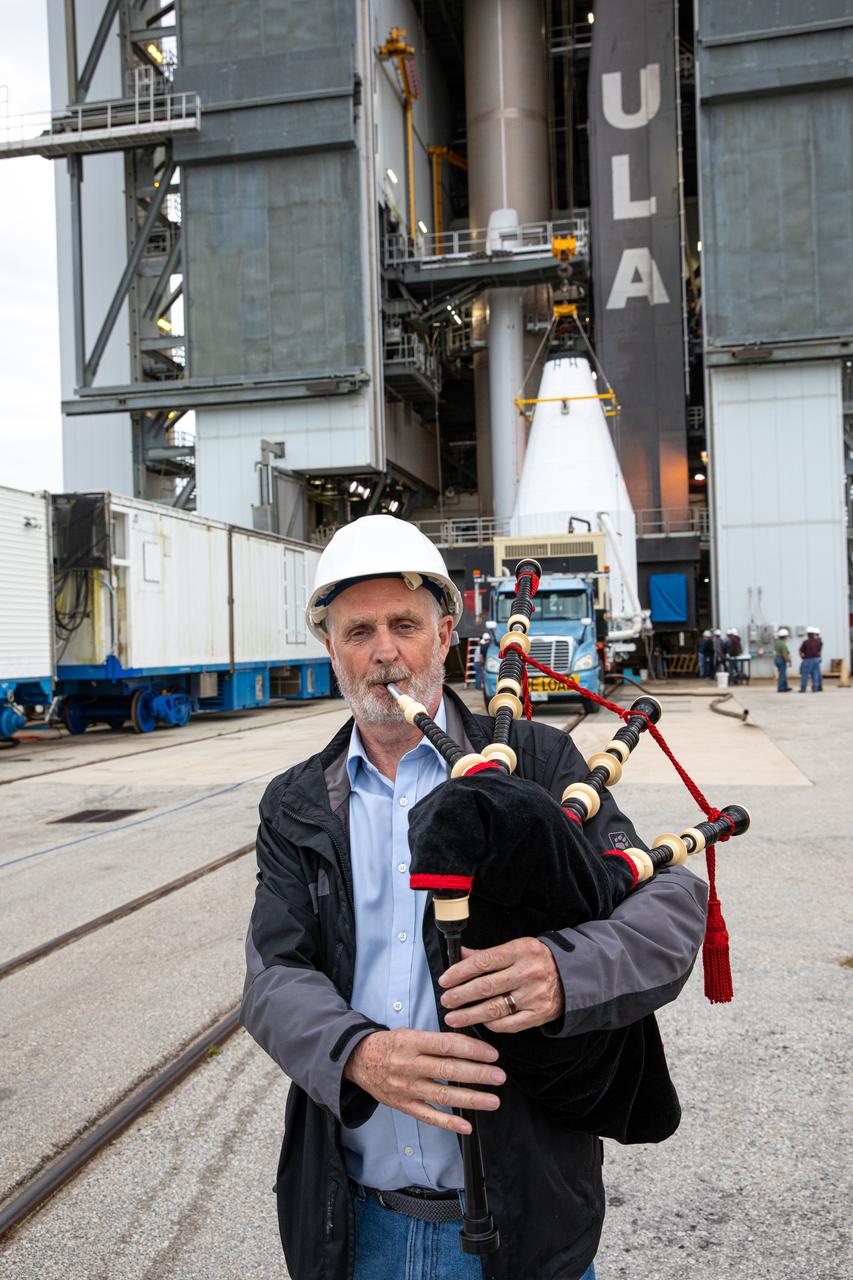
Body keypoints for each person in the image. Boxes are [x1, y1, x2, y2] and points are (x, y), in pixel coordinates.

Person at [241, 516, 708, 1280]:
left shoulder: (531, 760)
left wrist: (566, 970)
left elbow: (665, 903)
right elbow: (272, 976)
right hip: (356, 1227)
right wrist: (356, 1054)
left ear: (447, 634)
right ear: (330, 649)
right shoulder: (296, 801)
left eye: (404, 625)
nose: (383, 651)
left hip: (523, 1216)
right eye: (358, 631)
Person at [799, 625, 823, 692]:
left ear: (807, 634)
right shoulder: (818, 642)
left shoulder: (805, 642)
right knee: (815, 674)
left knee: (805, 675)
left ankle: (803, 689)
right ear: (814, 634)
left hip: (807, 659)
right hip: (816, 659)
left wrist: (802, 657)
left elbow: (801, 651)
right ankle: (815, 689)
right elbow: (819, 651)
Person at [774, 627, 792, 692]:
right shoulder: (783, 644)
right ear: (785, 636)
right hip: (781, 659)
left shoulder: (777, 642)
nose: (787, 637)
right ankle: (781, 688)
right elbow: (785, 654)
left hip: (776, 658)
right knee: (782, 674)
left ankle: (785, 687)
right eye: (787, 636)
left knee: (782, 673)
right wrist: (789, 661)